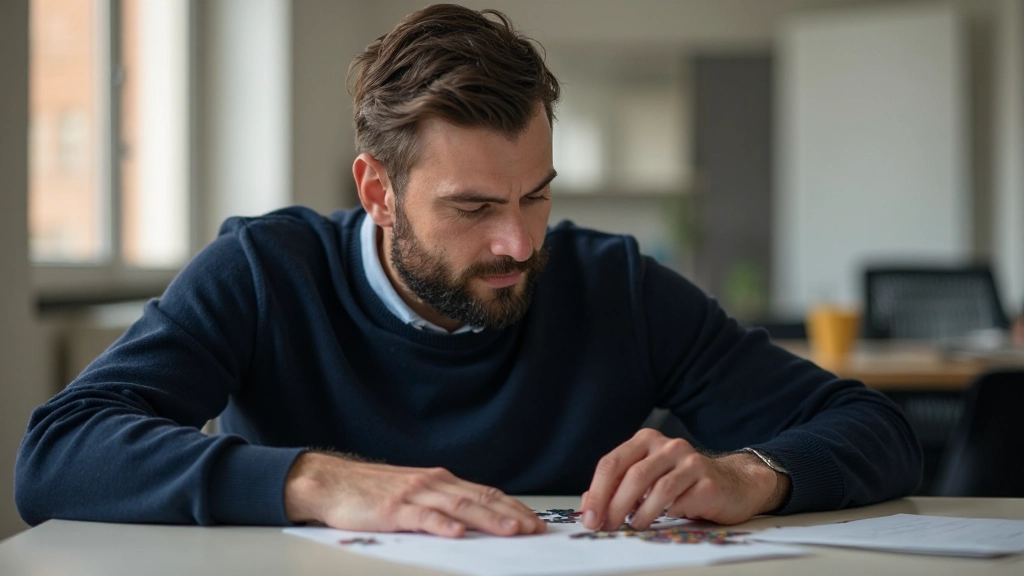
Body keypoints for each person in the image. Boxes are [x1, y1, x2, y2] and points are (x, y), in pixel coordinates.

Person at [15, 4, 921, 538]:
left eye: (537, 197)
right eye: (475, 208)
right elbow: (57, 453)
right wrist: (325, 483)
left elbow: (871, 425)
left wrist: (752, 474)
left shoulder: (618, 288)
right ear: (377, 191)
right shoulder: (264, 272)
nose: (520, 244)